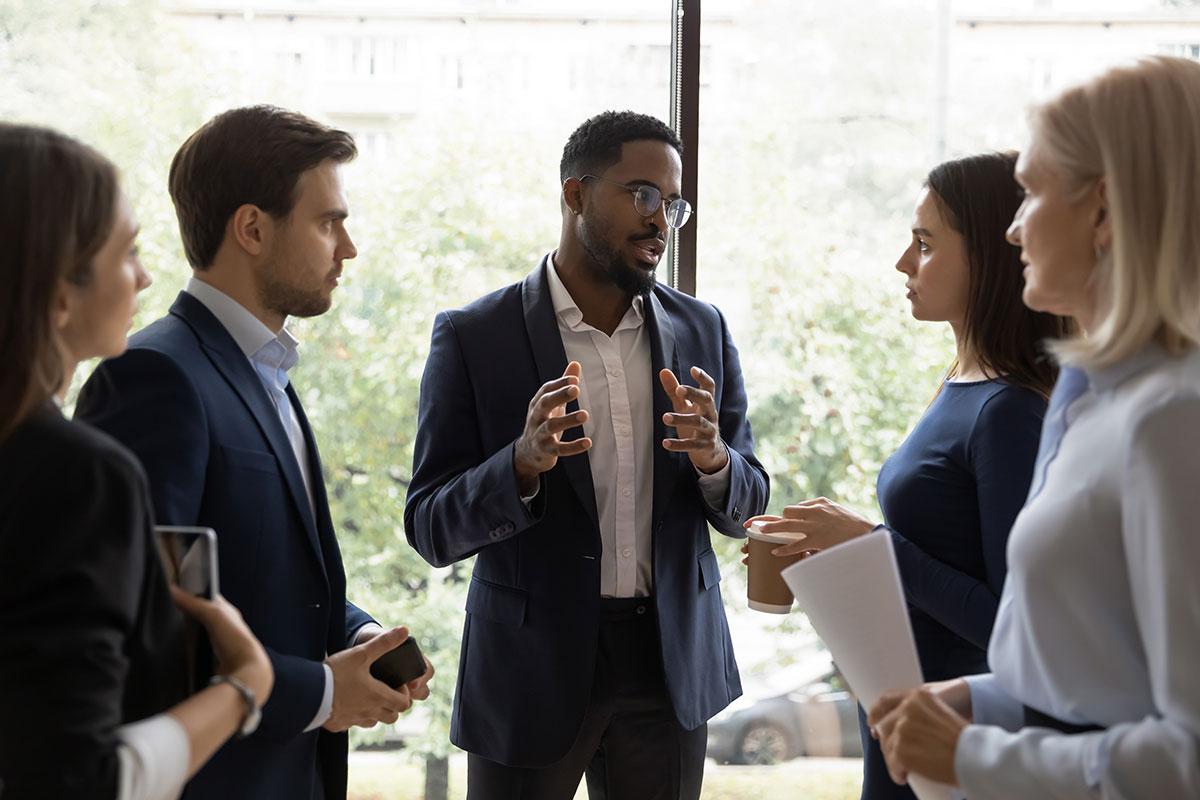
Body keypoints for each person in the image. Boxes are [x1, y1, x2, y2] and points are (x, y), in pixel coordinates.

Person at [405, 110, 769, 799]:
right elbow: (428, 525)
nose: (662, 219)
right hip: (529, 672)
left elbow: (748, 502)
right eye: (642, 195)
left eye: (674, 203)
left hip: (668, 671)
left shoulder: (702, 328)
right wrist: (520, 462)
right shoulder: (475, 337)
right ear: (574, 195)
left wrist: (716, 459)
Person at [75, 106, 433, 800]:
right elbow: (153, 623)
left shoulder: (269, 374)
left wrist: (358, 637)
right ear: (252, 229)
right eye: (329, 221)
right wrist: (325, 692)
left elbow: (264, 576)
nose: (348, 247)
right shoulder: (155, 376)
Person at [867, 56, 1200, 800]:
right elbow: (1099, 677)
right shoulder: (1086, 398)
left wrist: (977, 757)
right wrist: (981, 702)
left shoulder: (1174, 420)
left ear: (1105, 212)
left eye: (1031, 192)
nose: (1014, 230)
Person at [746, 152, 1070, 799]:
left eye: (924, 244)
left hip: (953, 737)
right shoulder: (957, 383)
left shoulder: (1008, 412)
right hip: (902, 716)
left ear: (987, 254)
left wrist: (872, 546)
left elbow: (1012, 629)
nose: (903, 263)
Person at [0, 123, 273, 799]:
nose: (147, 276)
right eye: (128, 252)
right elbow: (74, 780)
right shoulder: (76, 476)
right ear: (59, 293)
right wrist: (245, 686)